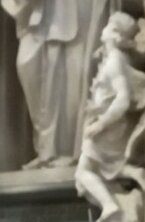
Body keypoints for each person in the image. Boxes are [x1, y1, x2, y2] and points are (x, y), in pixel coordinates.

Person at [2, 0, 107, 168]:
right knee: (28, 65)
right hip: (35, 15)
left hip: (72, 13)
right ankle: (46, 150)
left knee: (69, 76)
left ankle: (63, 152)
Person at [74, 10, 145, 222]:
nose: (102, 30)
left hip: (108, 126)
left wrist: (101, 124)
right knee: (103, 167)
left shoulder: (115, 61)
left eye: (107, 26)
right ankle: (133, 174)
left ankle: (110, 208)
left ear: (114, 34)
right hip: (105, 122)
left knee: (83, 172)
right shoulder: (109, 57)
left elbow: (123, 99)